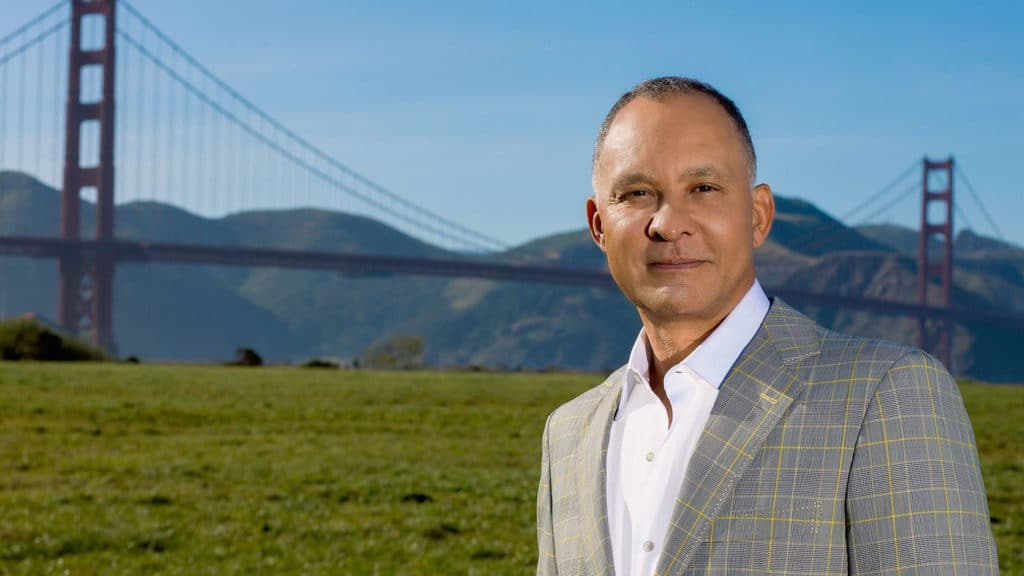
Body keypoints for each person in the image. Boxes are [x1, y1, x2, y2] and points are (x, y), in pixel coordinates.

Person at [535, 76, 998, 575]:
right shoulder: (568, 434)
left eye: (704, 188)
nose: (668, 223)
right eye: (637, 192)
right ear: (598, 224)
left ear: (758, 215)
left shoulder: (888, 395)